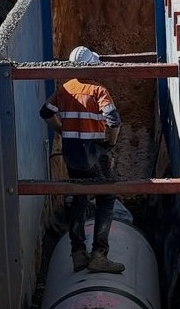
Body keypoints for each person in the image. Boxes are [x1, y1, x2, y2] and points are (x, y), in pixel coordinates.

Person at [39, 45, 126, 275]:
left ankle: (78, 254)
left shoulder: (65, 89)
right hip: (94, 153)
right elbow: (114, 121)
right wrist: (111, 143)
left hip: (72, 153)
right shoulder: (98, 90)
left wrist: (61, 130)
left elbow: (46, 112)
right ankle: (99, 255)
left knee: (79, 198)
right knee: (107, 197)